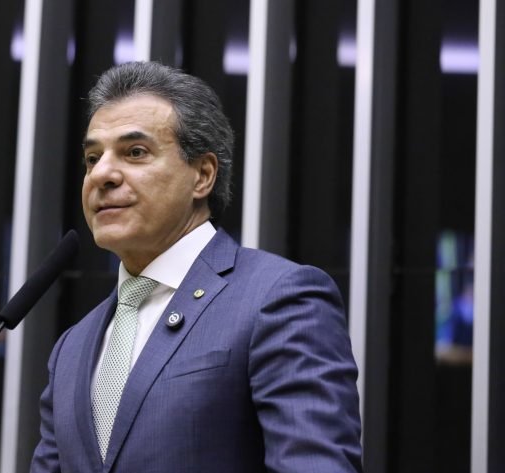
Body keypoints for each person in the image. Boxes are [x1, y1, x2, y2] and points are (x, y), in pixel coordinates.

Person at [31, 61, 362, 472]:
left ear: (202, 175)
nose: (102, 174)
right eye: (92, 158)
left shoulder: (279, 299)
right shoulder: (72, 347)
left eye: (135, 153)